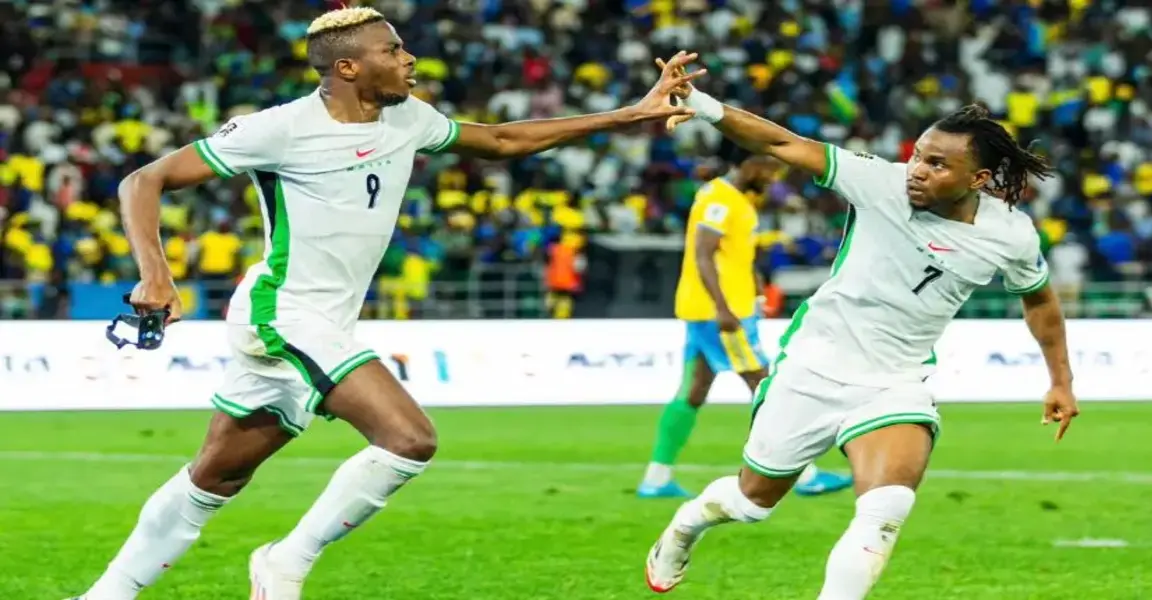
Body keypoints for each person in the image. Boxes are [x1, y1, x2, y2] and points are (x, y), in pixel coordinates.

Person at [66, 8, 703, 600]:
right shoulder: (279, 128)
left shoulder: (408, 118)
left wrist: (629, 115)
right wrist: (156, 276)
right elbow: (143, 180)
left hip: (324, 321)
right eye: (392, 50)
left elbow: (503, 141)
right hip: (284, 312)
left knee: (215, 478)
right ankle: (286, 562)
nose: (409, 58)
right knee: (408, 438)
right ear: (347, 67)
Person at [644, 57, 1080, 598]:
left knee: (885, 509)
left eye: (937, 164)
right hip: (814, 364)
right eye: (917, 155)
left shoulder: (1011, 235)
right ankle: (686, 525)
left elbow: (1040, 301)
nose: (917, 170)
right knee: (751, 502)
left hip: (896, 380)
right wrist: (702, 104)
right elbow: (782, 143)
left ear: (979, 179)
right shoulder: (878, 182)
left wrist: (1060, 380)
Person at [637, 148, 852, 499]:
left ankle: (656, 478)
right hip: (722, 313)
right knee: (765, 386)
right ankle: (805, 475)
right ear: (750, 164)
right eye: (769, 169)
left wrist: (754, 284)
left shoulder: (733, 198)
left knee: (693, 391)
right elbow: (703, 253)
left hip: (712, 310)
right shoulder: (720, 199)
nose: (773, 178)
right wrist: (723, 308)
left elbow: (733, 254)